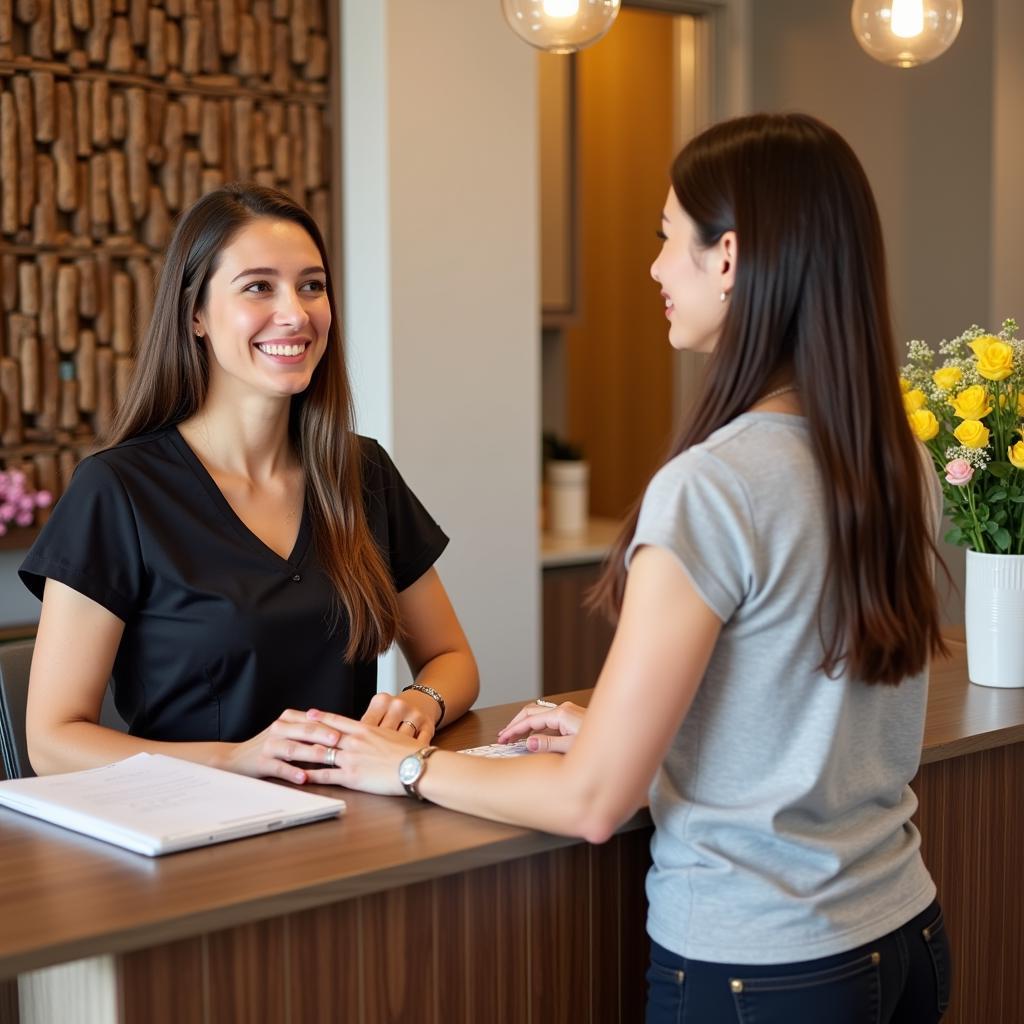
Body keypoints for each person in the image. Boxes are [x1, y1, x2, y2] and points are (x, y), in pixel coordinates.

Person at [297, 114, 952, 1023]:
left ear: (729, 257)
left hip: (760, 968)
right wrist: (620, 729)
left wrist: (403, 770)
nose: (654, 269)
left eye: (666, 237)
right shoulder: (894, 463)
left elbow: (592, 804)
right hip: (903, 931)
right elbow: (796, 695)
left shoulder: (716, 484)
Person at [20, 184, 478, 784]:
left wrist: (418, 705)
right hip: (188, 840)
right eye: (259, 286)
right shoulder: (117, 490)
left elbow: (452, 659)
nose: (295, 312)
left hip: (348, 821)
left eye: (311, 286)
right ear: (196, 315)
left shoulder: (361, 472)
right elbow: (52, 741)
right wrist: (234, 759)